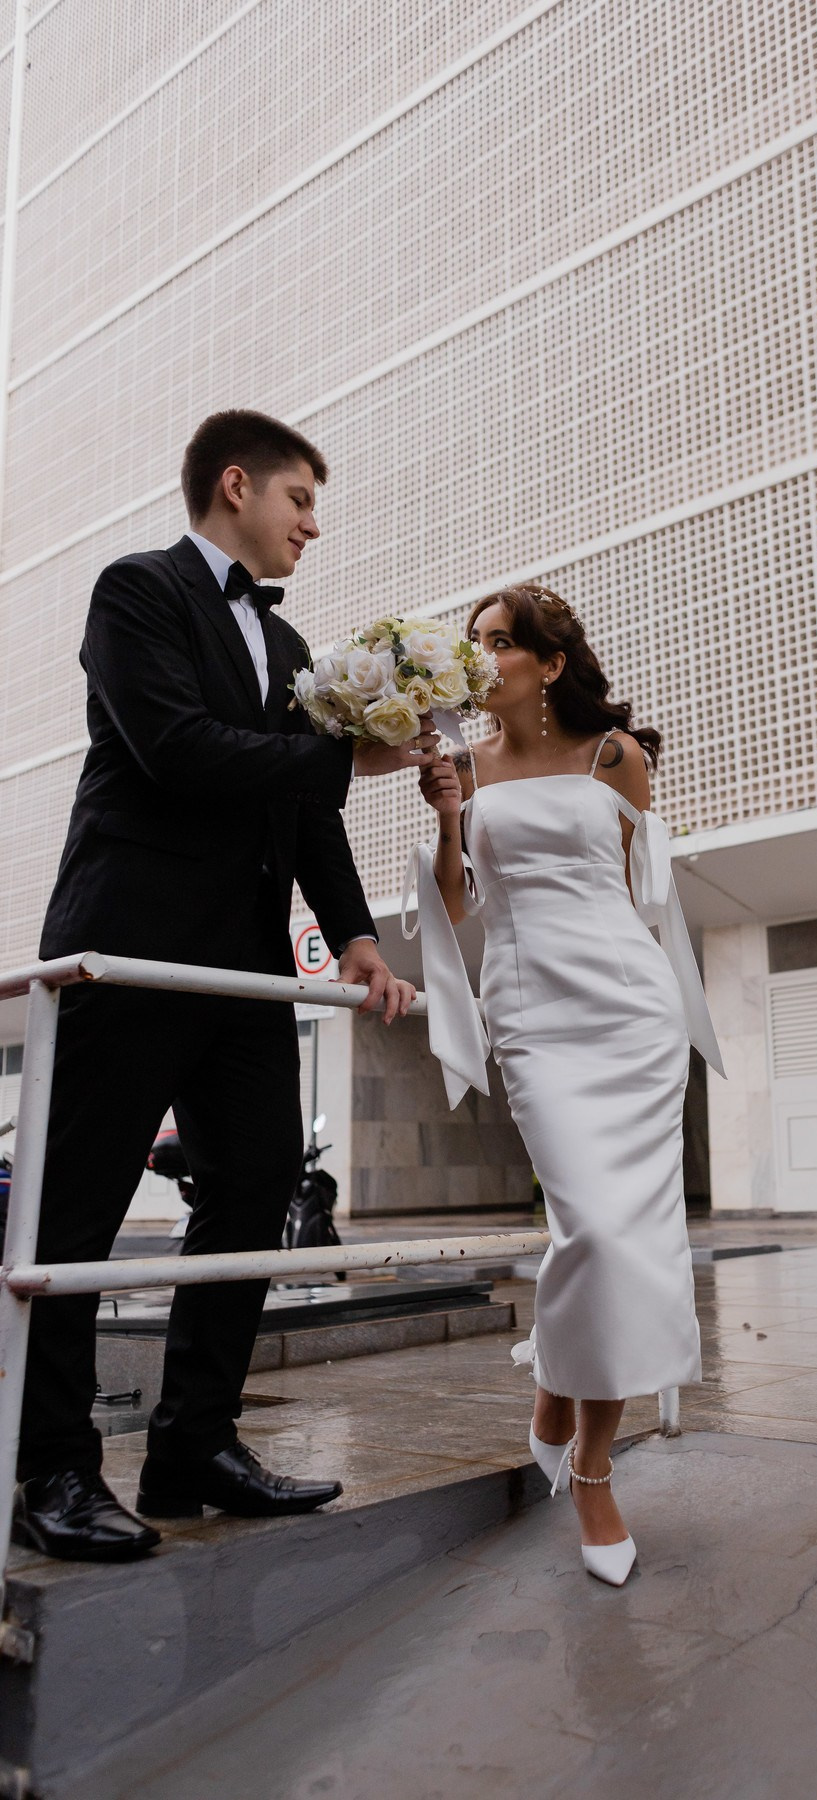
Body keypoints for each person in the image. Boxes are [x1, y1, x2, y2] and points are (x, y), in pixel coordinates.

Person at [13, 410, 438, 1562]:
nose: (314, 524)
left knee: (255, 1186)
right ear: (236, 486)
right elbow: (179, 750)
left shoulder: (293, 654)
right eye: (300, 500)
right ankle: (48, 1469)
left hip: (244, 968)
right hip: (128, 944)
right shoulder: (134, 591)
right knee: (77, 1218)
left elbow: (300, 807)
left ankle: (192, 1445)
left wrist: (352, 934)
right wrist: (349, 758)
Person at [413, 585, 723, 1586]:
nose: (486, 658)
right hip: (532, 1011)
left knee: (625, 1236)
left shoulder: (613, 756)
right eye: (478, 645)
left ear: (549, 664)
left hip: (628, 1011)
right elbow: (456, 904)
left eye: (503, 644)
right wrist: (451, 821)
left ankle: (590, 1464)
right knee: (589, 1228)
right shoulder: (459, 767)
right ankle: (556, 1372)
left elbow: (646, 895)